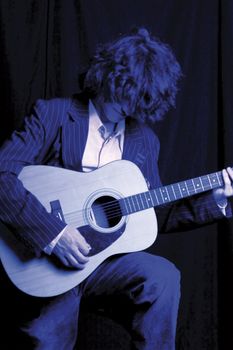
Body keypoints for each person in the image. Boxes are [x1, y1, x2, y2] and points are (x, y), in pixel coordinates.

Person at [0, 27, 232, 350]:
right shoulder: (53, 114)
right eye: (125, 92)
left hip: (105, 266)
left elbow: (155, 212)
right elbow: (2, 174)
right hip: (46, 260)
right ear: (108, 75)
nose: (130, 106)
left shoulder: (144, 141)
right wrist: (54, 234)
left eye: (140, 101)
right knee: (47, 337)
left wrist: (216, 201)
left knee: (164, 277)